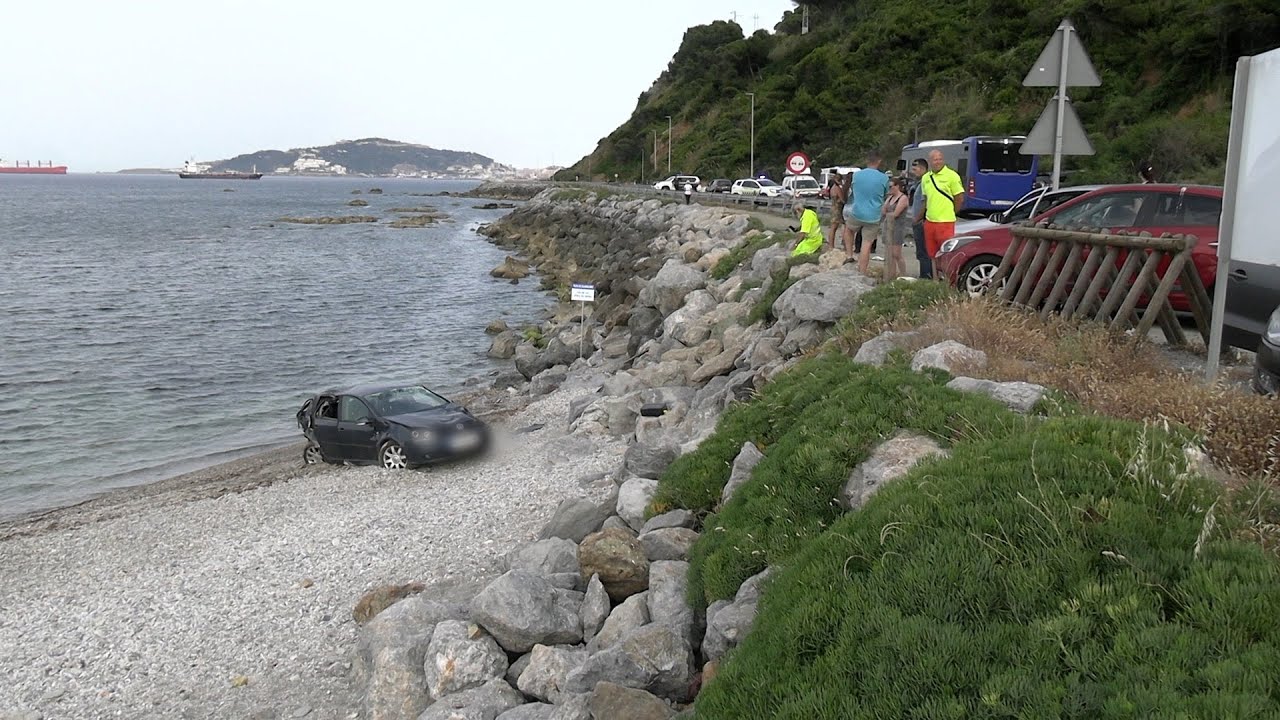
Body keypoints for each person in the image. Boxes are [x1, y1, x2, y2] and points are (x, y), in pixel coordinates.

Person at [919, 149, 964, 279]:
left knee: (946, 252)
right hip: (930, 221)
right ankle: (935, 279)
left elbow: (959, 197)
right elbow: (926, 199)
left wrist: (952, 212)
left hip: (945, 221)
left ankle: (948, 280)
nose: (938, 162)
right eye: (935, 159)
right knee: (932, 253)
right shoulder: (926, 178)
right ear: (930, 161)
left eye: (940, 159)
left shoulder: (952, 176)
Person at [845, 152, 890, 274]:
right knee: (867, 243)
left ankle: (849, 255)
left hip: (857, 212)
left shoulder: (857, 175)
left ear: (867, 161)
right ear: (879, 161)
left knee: (848, 230)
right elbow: (886, 193)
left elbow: (853, 190)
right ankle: (862, 271)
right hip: (874, 215)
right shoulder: (884, 178)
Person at [880, 177, 910, 281]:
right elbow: (883, 210)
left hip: (898, 227)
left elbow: (896, 213)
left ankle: (903, 274)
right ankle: (891, 275)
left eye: (891, 186)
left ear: (897, 186)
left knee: (896, 253)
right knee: (889, 253)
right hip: (888, 227)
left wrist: (888, 213)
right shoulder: (889, 198)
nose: (890, 189)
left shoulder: (903, 198)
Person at [908, 159, 931, 279]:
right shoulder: (918, 183)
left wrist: (918, 218)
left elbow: (924, 202)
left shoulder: (924, 183)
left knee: (923, 251)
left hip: (921, 222)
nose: (913, 172)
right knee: (921, 251)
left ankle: (926, 276)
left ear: (922, 169)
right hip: (919, 220)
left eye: (915, 169)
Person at [827, 170, 847, 251]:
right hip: (837, 208)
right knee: (834, 227)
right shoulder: (837, 188)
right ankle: (831, 245)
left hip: (833, 207)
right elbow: (842, 199)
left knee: (833, 227)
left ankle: (831, 245)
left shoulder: (832, 188)